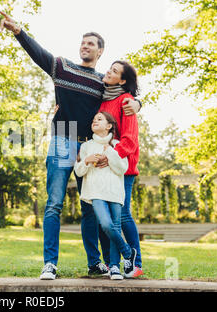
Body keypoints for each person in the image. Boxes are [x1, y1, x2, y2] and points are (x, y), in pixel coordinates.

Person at [0, 12, 142, 280]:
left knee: (91, 205)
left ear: (100, 51)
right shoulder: (62, 67)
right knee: (54, 203)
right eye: (83, 42)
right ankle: (50, 264)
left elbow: (124, 95)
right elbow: (38, 53)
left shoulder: (103, 81)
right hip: (63, 139)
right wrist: (18, 31)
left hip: (89, 144)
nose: (85, 46)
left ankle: (95, 263)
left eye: (91, 43)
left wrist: (138, 103)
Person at [74, 111, 137, 280]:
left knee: (115, 227)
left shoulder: (116, 144)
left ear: (109, 126)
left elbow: (122, 168)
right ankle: (127, 251)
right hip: (95, 193)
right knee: (106, 225)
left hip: (115, 193)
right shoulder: (86, 146)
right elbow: (78, 171)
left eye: (99, 119)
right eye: (94, 119)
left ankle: (115, 267)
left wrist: (110, 152)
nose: (95, 121)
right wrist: (87, 160)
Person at [97, 60, 143, 278]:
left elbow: (130, 140)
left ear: (122, 81)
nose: (108, 71)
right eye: (109, 68)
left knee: (123, 215)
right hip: (105, 167)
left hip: (123, 167)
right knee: (105, 217)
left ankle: (136, 263)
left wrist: (110, 156)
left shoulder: (126, 100)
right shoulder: (103, 99)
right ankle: (112, 264)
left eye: (114, 71)